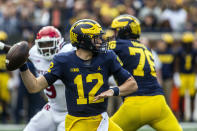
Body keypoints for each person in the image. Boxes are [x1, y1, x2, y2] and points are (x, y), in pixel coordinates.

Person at [19, 19, 138, 131]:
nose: (101, 41)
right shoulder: (63, 60)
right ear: (82, 41)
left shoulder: (107, 56)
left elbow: (132, 84)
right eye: (96, 38)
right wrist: (23, 67)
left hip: (102, 120)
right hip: (77, 122)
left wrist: (113, 91)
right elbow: (34, 86)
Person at [108, 14, 182, 131]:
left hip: (135, 104)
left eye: (116, 31)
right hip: (159, 104)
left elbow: (96, 53)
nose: (113, 34)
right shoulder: (146, 48)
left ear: (124, 31)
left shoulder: (117, 45)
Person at [173, 32, 196, 122]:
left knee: (192, 96)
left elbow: (195, 64)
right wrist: (176, 75)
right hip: (182, 75)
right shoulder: (179, 51)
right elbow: (176, 63)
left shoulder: (194, 51)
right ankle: (182, 116)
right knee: (181, 97)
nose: (187, 45)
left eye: (189, 43)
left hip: (191, 75)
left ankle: (191, 117)